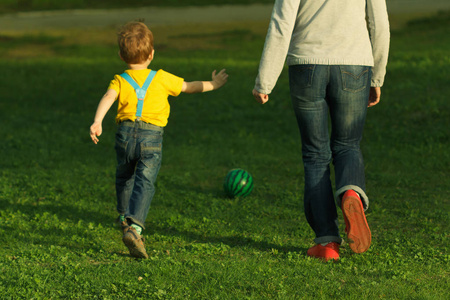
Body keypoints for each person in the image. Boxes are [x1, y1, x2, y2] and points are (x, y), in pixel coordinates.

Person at [253, 0, 389, 261]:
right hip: (354, 64)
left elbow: (281, 23)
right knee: (348, 145)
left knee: (315, 156)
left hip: (306, 66)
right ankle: (351, 192)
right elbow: (379, 23)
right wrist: (377, 75)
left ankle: (327, 243)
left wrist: (265, 81)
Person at [90, 21, 228, 259]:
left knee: (124, 175)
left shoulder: (120, 80)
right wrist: (214, 84)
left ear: (121, 56)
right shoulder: (162, 78)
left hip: (124, 135)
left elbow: (107, 97)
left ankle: (124, 215)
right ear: (152, 54)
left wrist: (97, 121)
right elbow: (188, 87)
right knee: (145, 182)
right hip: (151, 138)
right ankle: (135, 227)